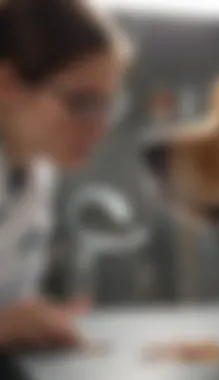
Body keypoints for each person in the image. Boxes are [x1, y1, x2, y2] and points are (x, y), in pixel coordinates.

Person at [0, 0, 132, 348]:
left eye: (108, 106)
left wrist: (35, 318)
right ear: (8, 83)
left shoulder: (35, 171)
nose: (100, 127)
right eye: (84, 103)